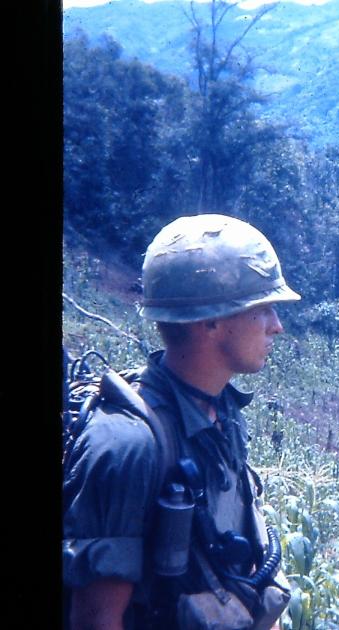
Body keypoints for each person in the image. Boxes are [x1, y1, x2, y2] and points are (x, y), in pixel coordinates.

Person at [63, 214, 300, 630]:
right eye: (261, 309)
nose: (275, 327)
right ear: (210, 321)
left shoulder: (221, 411)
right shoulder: (127, 444)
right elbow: (97, 619)